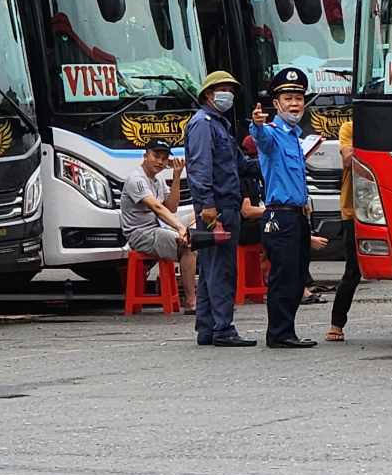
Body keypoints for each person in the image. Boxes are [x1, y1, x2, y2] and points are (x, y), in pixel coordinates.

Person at [249, 67, 317, 349]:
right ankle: (278, 333)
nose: (294, 104)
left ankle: (287, 329)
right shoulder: (273, 134)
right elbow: (260, 138)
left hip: (299, 217)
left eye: (298, 98)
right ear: (275, 104)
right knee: (283, 277)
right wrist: (257, 124)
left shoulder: (294, 136)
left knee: (298, 275)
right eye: (287, 98)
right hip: (281, 216)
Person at [185, 70, 252, 347]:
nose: (229, 95)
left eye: (231, 90)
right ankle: (223, 328)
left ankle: (207, 328)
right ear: (209, 94)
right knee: (221, 268)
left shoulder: (220, 124)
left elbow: (239, 164)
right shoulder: (203, 124)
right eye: (223, 89)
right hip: (217, 206)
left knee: (211, 267)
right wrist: (208, 205)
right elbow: (200, 167)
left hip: (226, 202)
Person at [122, 139, 198, 310]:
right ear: (145, 155)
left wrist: (177, 176)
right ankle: (191, 301)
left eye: (164, 159)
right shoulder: (137, 179)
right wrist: (180, 228)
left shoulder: (157, 180)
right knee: (189, 244)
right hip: (141, 234)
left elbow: (171, 207)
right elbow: (156, 207)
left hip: (158, 229)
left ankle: (204, 292)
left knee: (199, 218)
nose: (160, 162)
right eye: (156, 156)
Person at [326, 118, 360, 343]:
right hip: (355, 209)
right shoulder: (350, 127)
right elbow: (348, 159)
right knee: (353, 270)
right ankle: (336, 323)